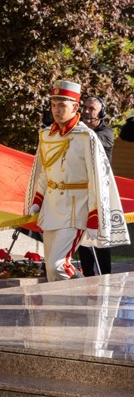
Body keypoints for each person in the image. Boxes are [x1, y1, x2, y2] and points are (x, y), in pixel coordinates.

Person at [25, 82, 129, 281]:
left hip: (76, 209)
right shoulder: (46, 135)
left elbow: (97, 179)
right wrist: (37, 200)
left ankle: (90, 289)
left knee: (58, 266)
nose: (56, 110)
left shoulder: (86, 137)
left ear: (74, 107)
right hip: (51, 209)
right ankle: (66, 303)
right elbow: (45, 171)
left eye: (61, 105)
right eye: (53, 105)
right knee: (51, 273)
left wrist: (94, 215)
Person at [78, 96, 116, 277]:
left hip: (100, 193)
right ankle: (88, 277)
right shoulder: (79, 131)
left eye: (91, 108)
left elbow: (90, 142)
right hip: (81, 190)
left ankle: (106, 278)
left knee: (100, 237)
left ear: (101, 113)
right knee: (83, 238)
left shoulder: (106, 133)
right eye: (84, 107)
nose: (86, 111)